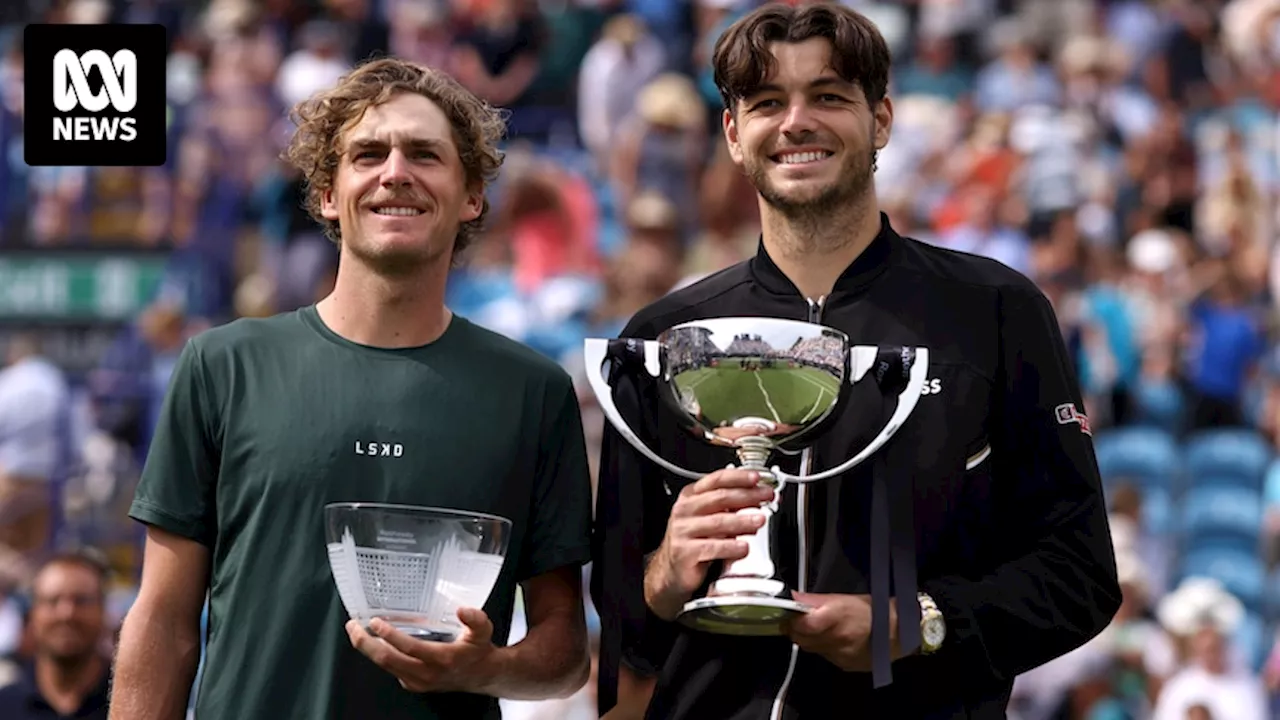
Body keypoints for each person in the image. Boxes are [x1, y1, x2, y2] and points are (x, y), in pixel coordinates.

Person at [590, 4, 1122, 719]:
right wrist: (665, 572)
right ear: (734, 134)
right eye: (768, 102)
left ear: (882, 120)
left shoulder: (995, 311)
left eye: (829, 97)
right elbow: (625, 621)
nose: (797, 122)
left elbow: (1080, 575)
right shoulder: (669, 336)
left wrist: (921, 622)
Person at [109, 58, 594, 720]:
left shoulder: (533, 392)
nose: (396, 171)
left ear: (472, 195)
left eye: (425, 154)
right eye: (369, 153)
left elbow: (563, 649)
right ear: (328, 194)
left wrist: (490, 667)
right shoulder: (221, 366)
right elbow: (162, 621)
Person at [0, 551, 111, 720]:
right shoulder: (5, 705)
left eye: (81, 601)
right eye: (52, 601)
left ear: (103, 612)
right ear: (33, 614)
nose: (66, 614)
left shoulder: (132, 701)